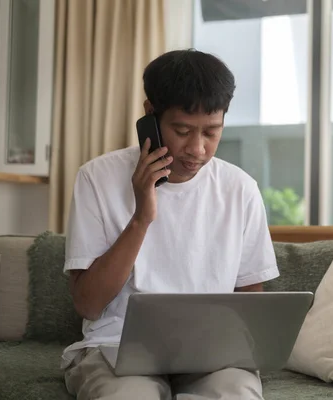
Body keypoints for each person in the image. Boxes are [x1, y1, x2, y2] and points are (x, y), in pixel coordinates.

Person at [61, 49, 280, 400]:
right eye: (182, 130)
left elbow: (249, 302)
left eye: (212, 132)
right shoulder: (96, 178)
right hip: (114, 346)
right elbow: (88, 305)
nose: (198, 149)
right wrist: (142, 217)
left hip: (212, 356)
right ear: (150, 114)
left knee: (234, 393)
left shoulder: (240, 189)